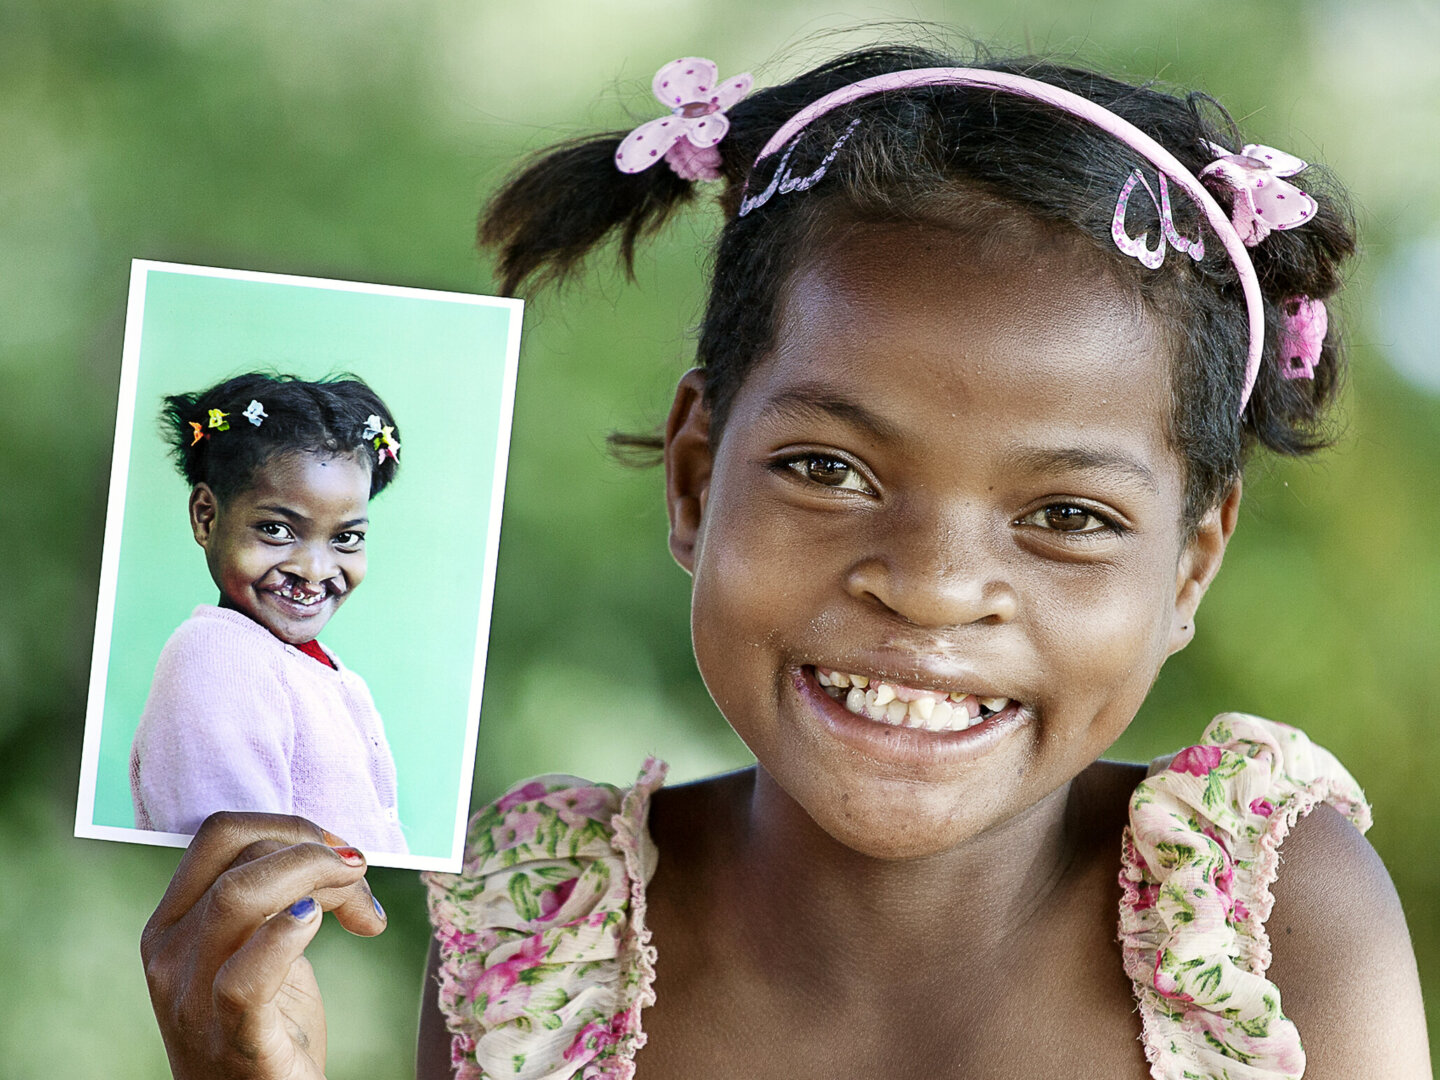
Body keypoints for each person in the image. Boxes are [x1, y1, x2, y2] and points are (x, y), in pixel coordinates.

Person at [139, 45, 1430, 1080]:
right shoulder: (543, 955)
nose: (928, 586)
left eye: (1069, 516)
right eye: (829, 472)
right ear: (698, 478)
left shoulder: (1271, 921)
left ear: (1192, 568)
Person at [131, 372, 408, 854]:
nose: (314, 571)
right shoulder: (217, 657)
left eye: (346, 538)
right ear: (206, 516)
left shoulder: (311, 667)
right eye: (277, 530)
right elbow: (238, 862)